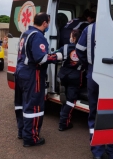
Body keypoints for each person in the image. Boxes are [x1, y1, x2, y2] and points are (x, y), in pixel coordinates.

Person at [76, 22, 113, 159]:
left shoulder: (89, 29)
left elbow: (79, 49)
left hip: (94, 73)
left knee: (94, 113)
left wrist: (88, 65)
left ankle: (97, 152)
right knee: (112, 114)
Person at [14, 12, 60, 147]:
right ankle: (31, 138)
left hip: (21, 72)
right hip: (32, 74)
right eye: (48, 23)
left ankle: (22, 132)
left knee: (21, 104)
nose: (48, 26)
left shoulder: (26, 33)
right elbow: (41, 58)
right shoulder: (38, 36)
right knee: (34, 107)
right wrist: (57, 56)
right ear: (44, 23)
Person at [52, 29, 82, 131]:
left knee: (64, 98)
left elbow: (54, 55)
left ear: (73, 38)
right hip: (75, 77)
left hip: (64, 76)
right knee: (71, 100)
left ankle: (63, 120)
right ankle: (63, 123)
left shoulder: (64, 48)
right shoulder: (84, 50)